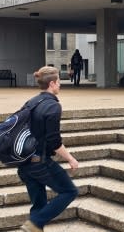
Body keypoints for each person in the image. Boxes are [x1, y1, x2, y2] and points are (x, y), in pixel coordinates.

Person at [18, 66, 79, 232]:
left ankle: (35, 224)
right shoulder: (53, 106)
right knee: (69, 191)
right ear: (52, 83)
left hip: (25, 164)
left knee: (39, 205)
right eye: (59, 81)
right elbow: (54, 141)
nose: (60, 85)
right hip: (40, 162)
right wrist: (71, 159)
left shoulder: (31, 102)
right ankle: (35, 222)